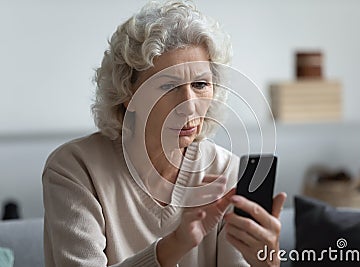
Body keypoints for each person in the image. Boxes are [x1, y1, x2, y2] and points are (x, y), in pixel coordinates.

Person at [42, 1, 286, 266]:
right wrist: (176, 244)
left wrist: (266, 262)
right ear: (127, 93)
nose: (189, 105)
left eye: (201, 84)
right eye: (168, 86)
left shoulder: (225, 171)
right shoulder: (76, 169)